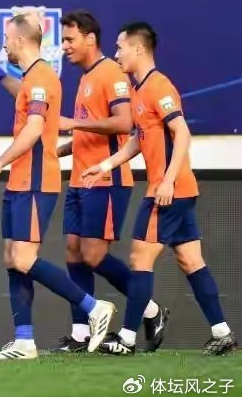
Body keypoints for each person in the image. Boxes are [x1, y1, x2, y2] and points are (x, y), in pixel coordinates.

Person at [83, 22, 236, 355]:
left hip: (168, 191)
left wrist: (167, 180)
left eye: (120, 47)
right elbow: (139, 140)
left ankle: (126, 339)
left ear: (138, 48)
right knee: (190, 260)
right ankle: (222, 333)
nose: (116, 54)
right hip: (175, 189)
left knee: (140, 257)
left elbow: (182, 132)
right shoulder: (138, 90)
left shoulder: (159, 86)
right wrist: (106, 165)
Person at [0, 11, 115, 360]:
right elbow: (22, 96)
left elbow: (35, 128)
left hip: (36, 181)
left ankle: (94, 307)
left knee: (24, 258)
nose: (4, 45)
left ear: (21, 40)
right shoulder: (33, 78)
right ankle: (24, 341)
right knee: (12, 258)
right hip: (21, 180)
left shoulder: (42, 77)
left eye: (7, 39)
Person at [56, 10, 167, 352]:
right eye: (63, 40)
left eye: (70, 39)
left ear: (90, 38)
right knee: (73, 250)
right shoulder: (86, 77)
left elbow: (122, 124)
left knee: (92, 255)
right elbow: (90, 132)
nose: (64, 46)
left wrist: (73, 124)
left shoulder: (111, 74)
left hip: (107, 180)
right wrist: (58, 151)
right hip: (80, 179)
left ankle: (149, 309)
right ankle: (81, 334)